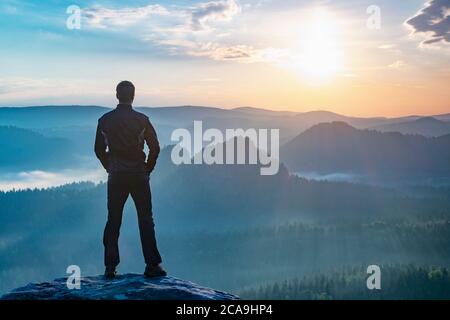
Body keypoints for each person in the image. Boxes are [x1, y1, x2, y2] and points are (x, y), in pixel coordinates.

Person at [94, 80, 166, 279]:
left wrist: (109, 166)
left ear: (117, 95)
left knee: (113, 220)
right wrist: (147, 169)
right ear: (133, 96)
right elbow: (155, 147)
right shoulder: (142, 120)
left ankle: (110, 267)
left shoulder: (105, 120)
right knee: (145, 219)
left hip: (116, 175)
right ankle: (153, 265)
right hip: (138, 175)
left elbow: (99, 150)